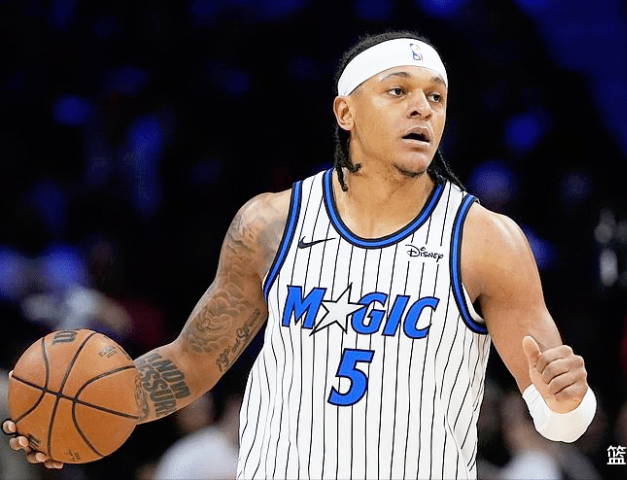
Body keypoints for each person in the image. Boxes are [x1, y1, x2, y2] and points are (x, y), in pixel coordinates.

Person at [4, 30, 596, 479]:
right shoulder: (269, 224)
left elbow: (560, 415)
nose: (423, 108)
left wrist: (569, 402)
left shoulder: (486, 240)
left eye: (436, 97)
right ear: (345, 112)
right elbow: (193, 361)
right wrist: (89, 408)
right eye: (398, 91)